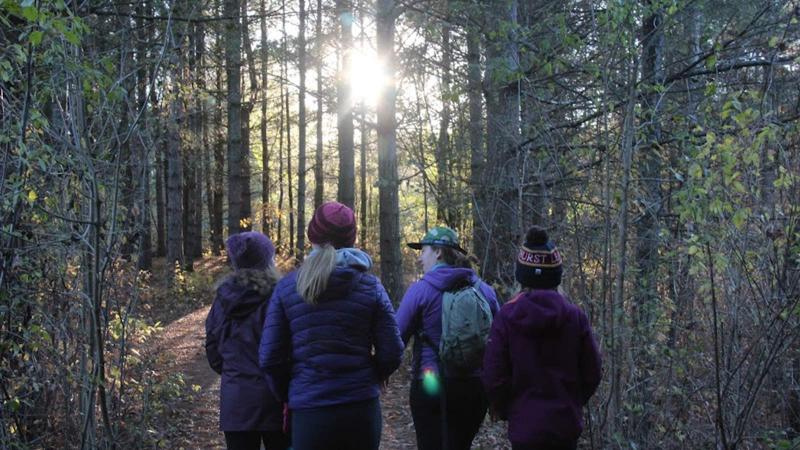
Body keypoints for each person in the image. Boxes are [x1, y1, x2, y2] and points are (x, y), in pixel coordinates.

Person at [258, 201, 404, 450]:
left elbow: (270, 358)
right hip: (361, 409)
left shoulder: (287, 287)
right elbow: (392, 351)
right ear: (352, 237)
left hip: (310, 411)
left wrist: (291, 392)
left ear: (312, 236)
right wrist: (371, 377)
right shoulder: (371, 287)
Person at [481, 226, 602, 450]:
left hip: (524, 429)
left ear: (521, 277)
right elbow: (592, 372)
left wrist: (511, 409)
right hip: (565, 428)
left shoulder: (507, 316)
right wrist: (571, 401)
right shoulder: (575, 317)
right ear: (556, 277)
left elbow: (493, 376)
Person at [396, 226, 500, 450]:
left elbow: (397, 339)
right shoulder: (484, 290)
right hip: (474, 387)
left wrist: (381, 370)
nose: (420, 257)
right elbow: (499, 341)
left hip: (431, 383)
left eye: (423, 251)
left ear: (438, 252)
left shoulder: (420, 291)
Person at [205, 231, 290, 450]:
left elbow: (213, 351)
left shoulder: (222, 300)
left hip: (237, 403)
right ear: (268, 260)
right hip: (276, 398)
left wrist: (235, 372)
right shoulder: (280, 297)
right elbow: (291, 347)